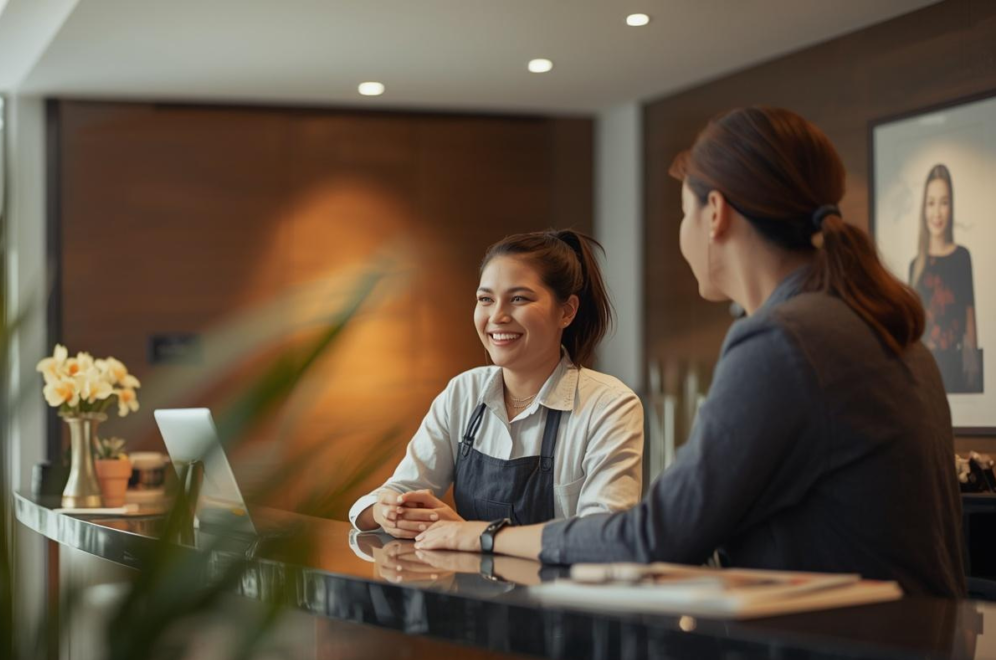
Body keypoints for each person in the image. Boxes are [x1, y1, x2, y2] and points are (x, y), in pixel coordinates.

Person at [414, 107, 967, 598]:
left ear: (716, 214)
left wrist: (482, 535)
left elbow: (657, 536)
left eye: (684, 213)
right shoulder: (871, 318)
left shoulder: (782, 340)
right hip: (912, 655)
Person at [349, 229, 644, 538]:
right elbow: (399, 489)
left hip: (559, 587)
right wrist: (387, 510)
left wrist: (475, 537)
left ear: (567, 312)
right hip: (467, 586)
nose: (497, 316)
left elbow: (603, 537)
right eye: (486, 299)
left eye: (518, 299)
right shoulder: (463, 393)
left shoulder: (609, 405)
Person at [909, 164, 980, 393]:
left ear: (951, 207)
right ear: (923, 208)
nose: (937, 212)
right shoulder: (915, 266)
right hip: (924, 371)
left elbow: (970, 314)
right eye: (931, 203)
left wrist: (973, 366)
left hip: (957, 366)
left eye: (944, 202)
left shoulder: (962, 257)